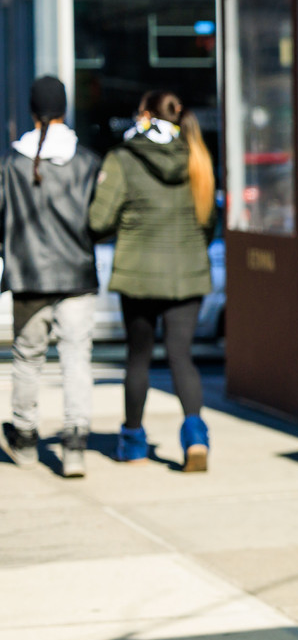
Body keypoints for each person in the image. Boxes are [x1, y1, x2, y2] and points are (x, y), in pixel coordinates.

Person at [88, 90, 216, 471]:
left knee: (138, 359)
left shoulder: (123, 158)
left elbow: (98, 222)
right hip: (188, 273)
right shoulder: (196, 155)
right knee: (182, 357)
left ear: (143, 115)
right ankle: (196, 438)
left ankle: (133, 442)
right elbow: (208, 222)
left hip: (138, 275)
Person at [0, 77, 102, 477]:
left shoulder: (12, 162)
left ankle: (24, 436)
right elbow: (100, 218)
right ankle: (75, 444)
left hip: (28, 277)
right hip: (77, 274)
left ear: (31, 110)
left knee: (28, 358)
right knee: (77, 357)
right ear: (64, 110)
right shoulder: (87, 161)